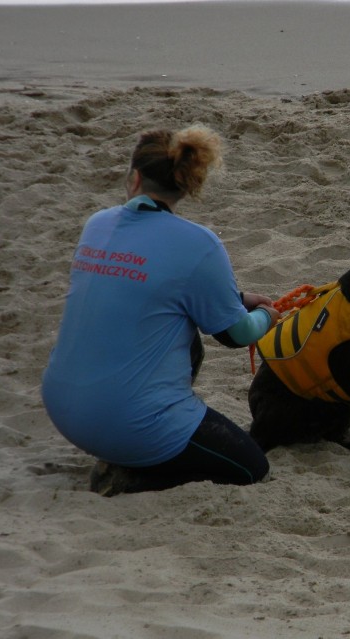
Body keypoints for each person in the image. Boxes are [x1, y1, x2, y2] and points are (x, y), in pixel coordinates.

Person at [42, 125, 280, 497]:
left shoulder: (97, 224)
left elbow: (151, 284)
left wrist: (238, 295)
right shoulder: (199, 242)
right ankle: (133, 476)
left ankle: (130, 453)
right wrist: (268, 314)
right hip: (128, 422)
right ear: (187, 185)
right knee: (251, 467)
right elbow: (238, 335)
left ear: (134, 178)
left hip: (63, 409)